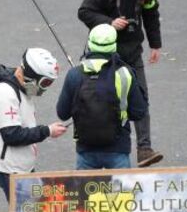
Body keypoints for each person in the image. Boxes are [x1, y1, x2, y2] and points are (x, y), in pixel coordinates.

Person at [78, 0, 164, 167]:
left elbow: (150, 12)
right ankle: (96, 147)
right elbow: (85, 11)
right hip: (105, 53)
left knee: (141, 99)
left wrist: (155, 44)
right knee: (103, 98)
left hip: (133, 51)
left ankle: (144, 149)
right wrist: (110, 22)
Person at [56, 24, 148, 170]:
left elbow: (62, 113)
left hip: (86, 149)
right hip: (118, 148)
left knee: (85, 186)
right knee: (121, 186)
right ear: (114, 46)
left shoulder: (75, 74)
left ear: (89, 44)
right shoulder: (125, 73)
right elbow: (139, 112)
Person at [0, 48, 67, 201]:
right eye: (45, 82)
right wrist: (47, 131)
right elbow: (12, 135)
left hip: (21, 165)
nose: (46, 88)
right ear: (30, 76)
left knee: (31, 210)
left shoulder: (20, 87)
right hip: (11, 169)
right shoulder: (5, 95)